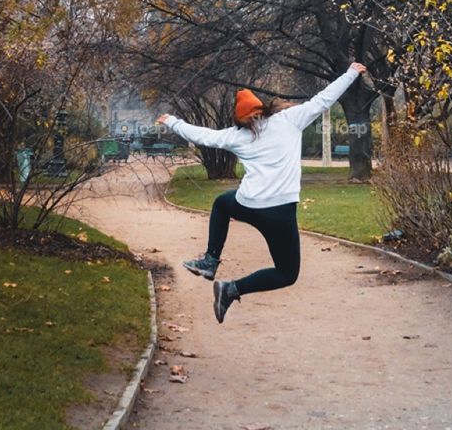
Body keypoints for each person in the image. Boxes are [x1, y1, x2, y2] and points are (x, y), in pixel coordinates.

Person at [156, 63, 367, 323]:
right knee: (287, 274)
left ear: (241, 119)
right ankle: (232, 289)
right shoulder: (290, 119)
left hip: (249, 204)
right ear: (263, 109)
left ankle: (211, 260)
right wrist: (351, 73)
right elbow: (323, 100)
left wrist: (173, 122)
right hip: (281, 212)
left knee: (222, 203)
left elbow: (204, 136)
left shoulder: (238, 136)